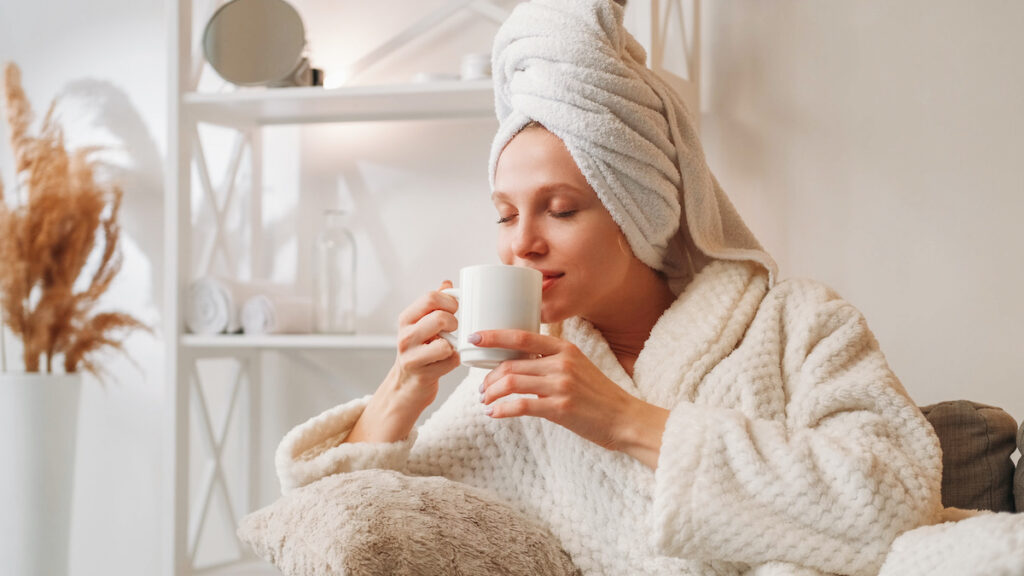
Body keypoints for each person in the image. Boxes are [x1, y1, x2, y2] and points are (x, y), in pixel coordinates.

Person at [276, 1, 943, 574]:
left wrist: (627, 422)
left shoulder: (799, 325)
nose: (523, 242)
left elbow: (899, 496)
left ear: (637, 210)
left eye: (560, 208)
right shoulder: (518, 381)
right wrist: (402, 391)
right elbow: (368, 532)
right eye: (506, 214)